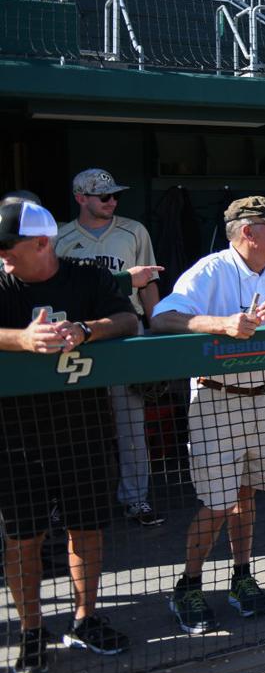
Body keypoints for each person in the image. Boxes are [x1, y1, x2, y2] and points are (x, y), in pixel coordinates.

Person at [152, 196, 265, 634]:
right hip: (216, 395)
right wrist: (220, 324)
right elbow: (161, 316)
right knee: (215, 501)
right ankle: (188, 585)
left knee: (247, 492)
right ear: (248, 232)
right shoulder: (211, 269)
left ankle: (241, 576)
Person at [1, 198, 138, 673]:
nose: (3, 256)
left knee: (87, 527)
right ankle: (31, 630)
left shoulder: (87, 277)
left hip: (83, 427)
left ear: (41, 243)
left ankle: (85, 617)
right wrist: (21, 339)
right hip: (15, 435)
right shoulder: (0, 278)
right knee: (22, 538)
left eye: (9, 247)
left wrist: (84, 330)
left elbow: (127, 320)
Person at [54, 168, 164, 527]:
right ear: (81, 198)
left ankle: (136, 498)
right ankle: (67, 502)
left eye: (115, 195)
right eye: (104, 196)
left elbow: (148, 285)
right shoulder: (61, 236)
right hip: (77, 339)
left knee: (131, 423)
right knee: (75, 426)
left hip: (126, 331)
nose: (112, 201)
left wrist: (156, 329)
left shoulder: (134, 231)